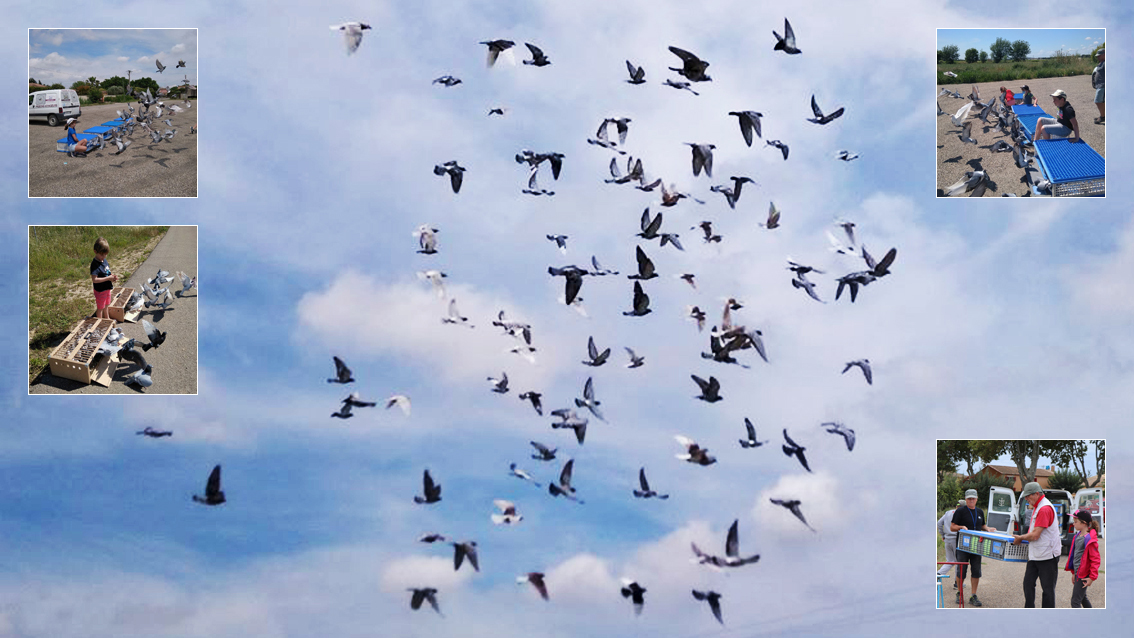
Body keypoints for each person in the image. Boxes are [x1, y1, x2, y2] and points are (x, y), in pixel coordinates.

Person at [1012, 482, 1061, 608]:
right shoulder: (1037, 506)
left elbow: (1035, 535)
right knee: (1028, 583)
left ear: (1037, 494)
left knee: (1048, 590)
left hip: (1048, 555)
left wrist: (1020, 538)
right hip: (1036, 554)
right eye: (1026, 496)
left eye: (1028, 496)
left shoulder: (1044, 508)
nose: (1027, 499)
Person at [950, 489, 997, 607]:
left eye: (973, 498)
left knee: (976, 571)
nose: (971, 500)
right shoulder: (960, 511)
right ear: (966, 499)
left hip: (977, 547)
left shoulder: (980, 511)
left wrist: (988, 529)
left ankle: (973, 595)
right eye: (969, 498)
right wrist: (961, 527)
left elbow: (982, 525)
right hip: (963, 547)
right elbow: (952, 527)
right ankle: (959, 593)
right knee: (962, 571)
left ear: (976, 499)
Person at [1065, 509, 1100, 608]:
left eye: (1076, 522)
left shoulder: (1089, 539)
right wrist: (1074, 573)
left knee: (1075, 602)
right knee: (1083, 598)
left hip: (1084, 575)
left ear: (1084, 523)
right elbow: (1074, 555)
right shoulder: (1077, 536)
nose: (1073, 524)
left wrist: (1092, 577)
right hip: (1078, 573)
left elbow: (1095, 559)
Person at [938, 499, 965, 586]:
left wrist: (943, 535)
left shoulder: (948, 513)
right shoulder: (961, 514)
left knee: (950, 560)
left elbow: (939, 523)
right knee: (957, 561)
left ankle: (938, 574)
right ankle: (957, 583)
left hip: (947, 539)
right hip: (956, 539)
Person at [91, 237, 118, 319]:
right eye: (102, 255)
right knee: (100, 308)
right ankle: (99, 323)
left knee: (106, 305)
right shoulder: (95, 264)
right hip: (100, 291)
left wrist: (112, 277)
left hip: (106, 288)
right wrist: (108, 278)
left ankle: (107, 319)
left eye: (106, 254)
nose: (104, 256)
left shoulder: (104, 260)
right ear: (95, 252)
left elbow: (107, 272)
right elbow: (94, 280)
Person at [1091, 49, 1104, 124]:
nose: (1097, 57)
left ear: (1104, 54)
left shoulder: (1106, 63)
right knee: (1101, 101)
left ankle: (1102, 117)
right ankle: (1103, 115)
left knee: (1098, 101)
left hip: (1103, 86)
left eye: (1099, 56)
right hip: (1099, 85)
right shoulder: (1101, 62)